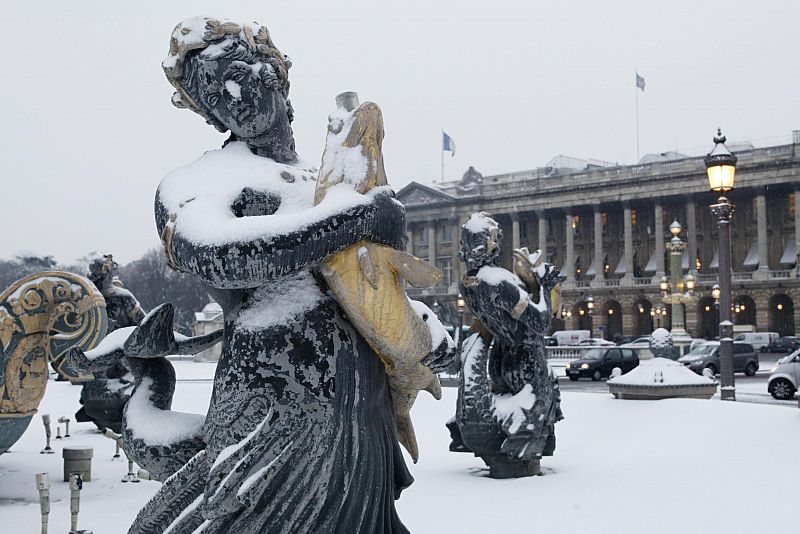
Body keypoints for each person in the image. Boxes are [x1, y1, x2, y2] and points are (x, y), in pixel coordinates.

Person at [131, 17, 411, 533]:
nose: (230, 95)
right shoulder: (196, 183)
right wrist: (354, 219)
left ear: (277, 75)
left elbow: (370, 283)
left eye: (236, 72)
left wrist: (414, 329)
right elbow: (221, 256)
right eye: (211, 92)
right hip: (272, 402)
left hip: (357, 400)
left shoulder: (326, 180)